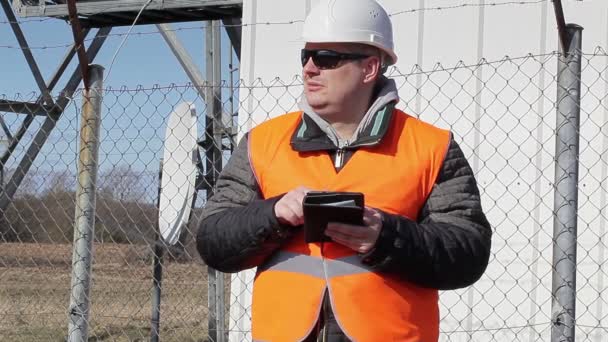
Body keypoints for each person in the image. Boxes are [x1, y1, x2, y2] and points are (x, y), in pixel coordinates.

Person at [197, 0, 492, 341]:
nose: (309, 68)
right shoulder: (262, 143)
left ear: (369, 68)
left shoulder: (431, 146)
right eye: (305, 57)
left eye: (326, 58)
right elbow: (213, 240)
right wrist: (273, 214)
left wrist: (386, 237)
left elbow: (468, 251)